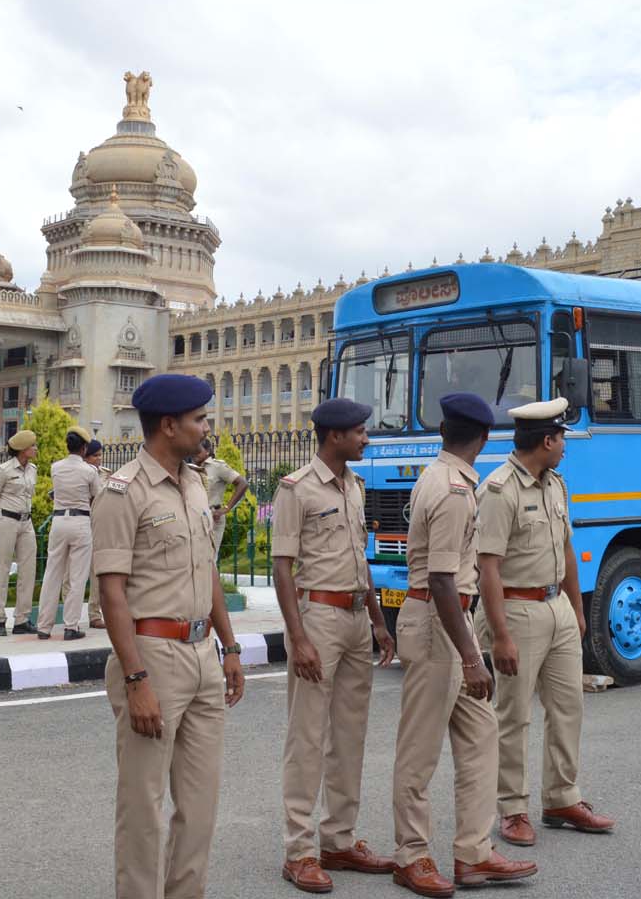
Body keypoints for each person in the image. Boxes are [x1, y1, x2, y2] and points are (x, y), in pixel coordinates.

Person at [93, 374, 245, 899]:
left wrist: (230, 647)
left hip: (203, 653)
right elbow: (111, 594)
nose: (207, 428)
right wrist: (136, 678)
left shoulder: (197, 483)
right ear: (168, 424)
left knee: (200, 804)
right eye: (199, 420)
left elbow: (208, 572)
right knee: (144, 805)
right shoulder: (122, 491)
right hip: (152, 656)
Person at [391, 392, 536, 896]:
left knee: (480, 736)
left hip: (450, 622)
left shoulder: (442, 477)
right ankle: (411, 855)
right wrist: (473, 656)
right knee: (419, 751)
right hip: (439, 626)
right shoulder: (453, 490)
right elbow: (441, 580)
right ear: (483, 437)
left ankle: (473, 853)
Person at [476, 398, 616, 849]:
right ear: (545, 441)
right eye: (560, 440)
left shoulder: (555, 484)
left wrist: (575, 610)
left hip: (555, 608)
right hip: (516, 610)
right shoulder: (499, 490)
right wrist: (499, 635)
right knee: (513, 716)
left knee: (568, 707)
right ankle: (512, 809)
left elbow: (567, 549)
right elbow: (488, 567)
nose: (564, 448)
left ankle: (561, 798)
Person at [274, 397, 398, 893]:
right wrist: (298, 636)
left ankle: (339, 839)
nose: (366, 438)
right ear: (334, 437)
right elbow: (283, 567)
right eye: (360, 431)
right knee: (307, 738)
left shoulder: (354, 486)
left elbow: (360, 561)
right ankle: (299, 851)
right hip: (318, 618)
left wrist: (378, 622)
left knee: (350, 736)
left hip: (353, 619)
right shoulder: (296, 489)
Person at [37, 426, 101, 640]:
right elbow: (98, 497)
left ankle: (44, 627)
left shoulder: (56, 467)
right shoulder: (89, 471)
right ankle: (70, 627)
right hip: (81, 521)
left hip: (58, 521)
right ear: (84, 448)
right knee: (77, 577)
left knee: (52, 574)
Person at [0, 430, 39, 636]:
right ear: (22, 449)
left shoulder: (33, 469)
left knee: (28, 571)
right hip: (6, 520)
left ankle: (22, 620)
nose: (35, 449)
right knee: (3, 568)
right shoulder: (3, 470)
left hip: (26, 522)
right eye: (32, 446)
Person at [193, 439, 248, 554]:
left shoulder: (217, 467)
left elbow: (242, 484)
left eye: (198, 450)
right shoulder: (191, 468)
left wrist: (227, 508)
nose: (194, 453)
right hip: (195, 516)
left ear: (207, 451)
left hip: (213, 517)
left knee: (210, 558)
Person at [86, 439, 109, 629]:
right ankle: (71, 615)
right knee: (71, 572)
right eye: (95, 456)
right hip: (80, 522)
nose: (99, 459)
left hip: (98, 526)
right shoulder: (78, 472)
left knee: (96, 571)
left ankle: (95, 614)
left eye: (100, 455)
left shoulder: (106, 475)